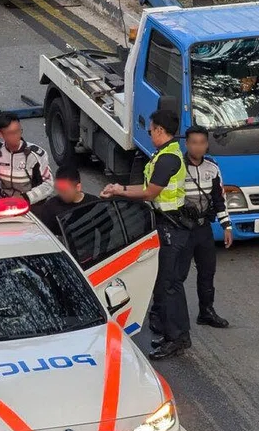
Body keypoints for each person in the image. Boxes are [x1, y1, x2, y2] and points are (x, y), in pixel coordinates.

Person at [101, 109, 191, 360]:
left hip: (171, 227)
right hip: (167, 225)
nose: (150, 134)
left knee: (168, 286)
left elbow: (150, 193)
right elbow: (145, 187)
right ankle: (175, 334)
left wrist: (120, 192)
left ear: (160, 130)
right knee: (168, 284)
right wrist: (119, 188)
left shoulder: (168, 159)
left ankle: (177, 338)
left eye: (151, 130)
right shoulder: (165, 154)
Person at [181, 125, 232, 328]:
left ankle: (206, 312)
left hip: (203, 229)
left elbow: (219, 199)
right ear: (186, 144)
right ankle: (162, 315)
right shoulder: (177, 167)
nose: (198, 147)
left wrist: (226, 226)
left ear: (207, 144)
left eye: (202, 143)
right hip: (182, 229)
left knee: (207, 272)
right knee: (176, 275)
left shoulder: (212, 167)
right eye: (194, 142)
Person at [0, 112, 53, 205]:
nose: (16, 136)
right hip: (5, 200)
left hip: (30, 202)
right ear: (1, 134)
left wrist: (25, 198)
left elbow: (48, 184)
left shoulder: (36, 155)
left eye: (18, 131)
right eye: (11, 133)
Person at [33, 166, 98, 232]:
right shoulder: (50, 208)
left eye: (65, 191)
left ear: (78, 187)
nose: (61, 194)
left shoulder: (94, 204)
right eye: (59, 189)